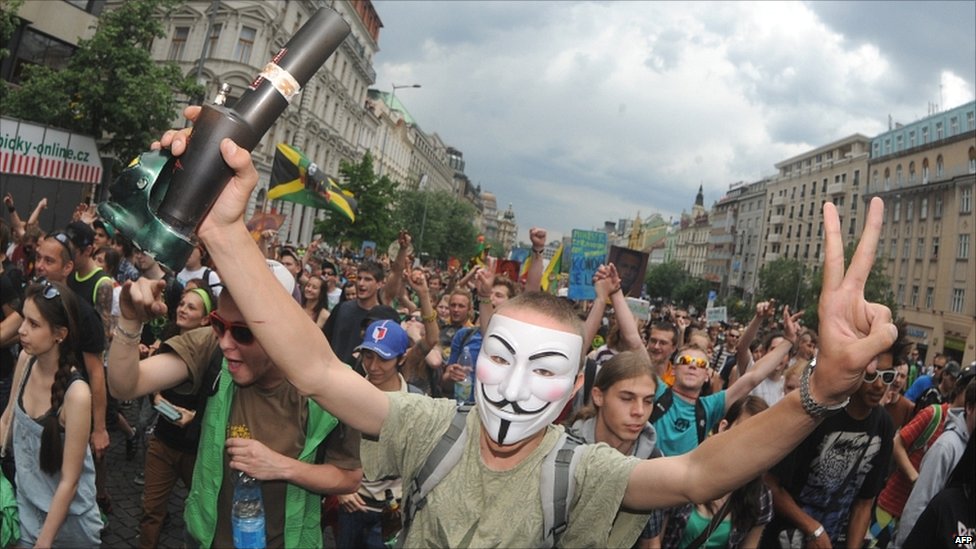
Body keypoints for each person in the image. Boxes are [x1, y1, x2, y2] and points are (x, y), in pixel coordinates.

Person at [155, 109, 898, 547]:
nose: (513, 388)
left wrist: (821, 387)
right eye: (500, 357)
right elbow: (316, 368)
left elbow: (697, 474)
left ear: (574, 386)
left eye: (542, 370)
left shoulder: (582, 473)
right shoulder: (430, 428)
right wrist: (226, 235)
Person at [107, 261, 363, 548]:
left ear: (283, 329)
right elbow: (124, 385)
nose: (226, 343)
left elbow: (349, 477)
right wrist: (130, 321)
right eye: (219, 324)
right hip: (203, 539)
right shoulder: (212, 347)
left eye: (243, 332)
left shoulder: (327, 386)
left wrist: (281, 467)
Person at [759, 333, 904, 548]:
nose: (880, 385)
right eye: (871, 375)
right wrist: (813, 529)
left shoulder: (883, 425)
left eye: (888, 375)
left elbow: (864, 503)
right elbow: (770, 483)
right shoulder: (817, 413)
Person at [0, 280, 102, 546]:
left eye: (33, 325)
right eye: (24, 320)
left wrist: (44, 542)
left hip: (69, 525)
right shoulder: (25, 359)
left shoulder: (76, 394)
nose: (21, 330)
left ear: (60, 334)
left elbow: (70, 481)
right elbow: (8, 418)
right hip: (27, 508)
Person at [137, 286, 215, 549]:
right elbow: (149, 383)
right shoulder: (168, 339)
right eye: (182, 304)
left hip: (195, 450)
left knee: (202, 514)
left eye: (191, 307)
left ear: (205, 319)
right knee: (151, 510)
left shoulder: (214, 354)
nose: (182, 309)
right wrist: (157, 399)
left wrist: (195, 418)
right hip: (163, 442)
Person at [335, 320, 421, 548]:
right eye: (368, 356)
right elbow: (329, 445)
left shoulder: (416, 401)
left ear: (401, 359)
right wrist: (339, 490)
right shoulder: (348, 393)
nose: (373, 366)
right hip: (351, 507)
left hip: (392, 514)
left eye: (383, 359)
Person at [567, 351, 664, 548]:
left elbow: (650, 539)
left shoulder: (653, 462)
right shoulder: (564, 448)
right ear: (598, 396)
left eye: (648, 401)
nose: (639, 411)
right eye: (627, 398)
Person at [658, 396, 774, 549]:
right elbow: (653, 542)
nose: (748, 445)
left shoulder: (760, 496)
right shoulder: (685, 473)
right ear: (723, 427)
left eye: (758, 439)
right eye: (742, 433)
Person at [892, 377, 975, 549]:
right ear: (969, 407)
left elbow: (961, 539)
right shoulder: (947, 446)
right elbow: (919, 505)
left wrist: (965, 540)